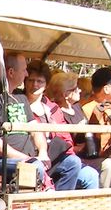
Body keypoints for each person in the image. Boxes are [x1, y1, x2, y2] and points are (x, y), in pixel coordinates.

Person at [0, 54, 48, 187]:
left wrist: (43, 153)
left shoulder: (20, 96)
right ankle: (35, 204)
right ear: (11, 72)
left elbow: (35, 130)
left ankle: (59, 204)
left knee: (73, 164)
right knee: (35, 167)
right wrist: (27, 159)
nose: (26, 74)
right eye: (24, 70)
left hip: (30, 158)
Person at [22, 60, 83, 190]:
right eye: (31, 80)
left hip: (53, 156)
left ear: (46, 85)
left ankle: (60, 204)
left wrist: (68, 153)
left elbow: (65, 137)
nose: (35, 85)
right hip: (30, 155)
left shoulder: (52, 108)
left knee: (77, 165)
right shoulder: (18, 104)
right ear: (25, 81)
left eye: (40, 81)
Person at [44, 71, 100, 189]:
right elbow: (60, 144)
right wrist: (79, 147)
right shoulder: (57, 112)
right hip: (71, 157)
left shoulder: (77, 107)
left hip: (88, 155)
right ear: (65, 94)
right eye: (75, 88)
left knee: (107, 166)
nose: (79, 90)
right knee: (92, 173)